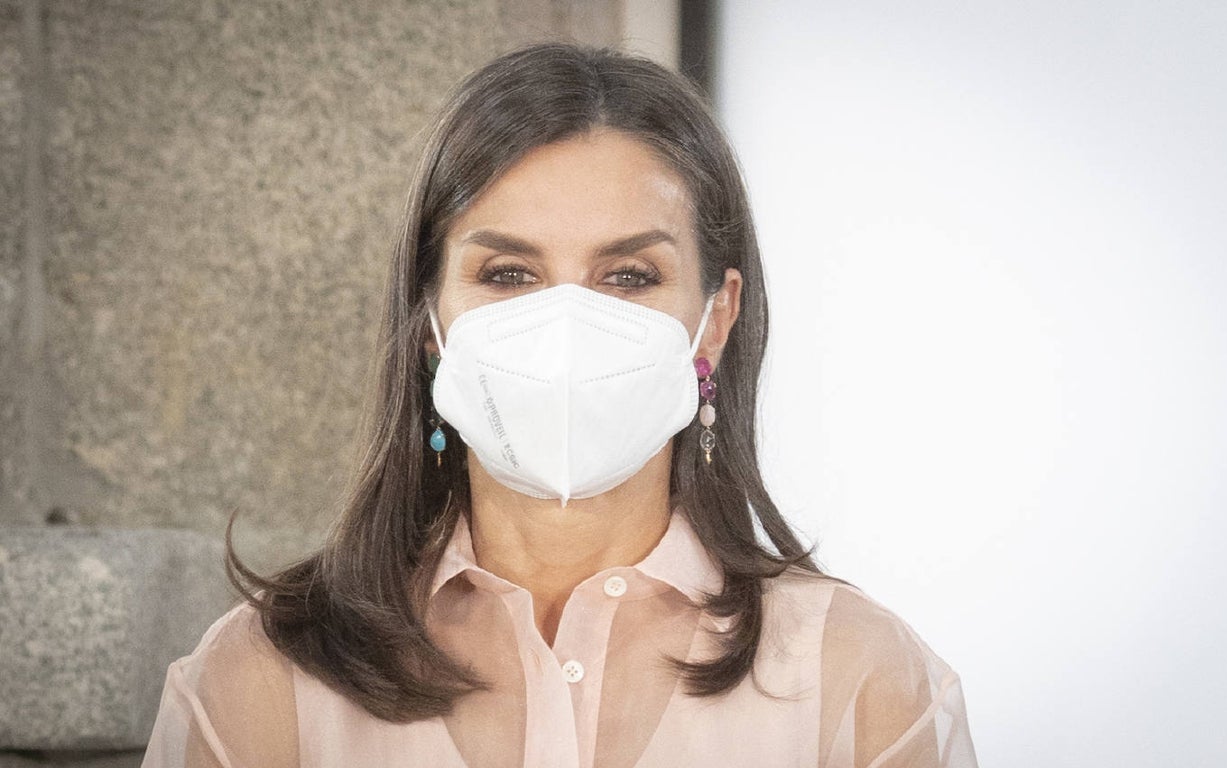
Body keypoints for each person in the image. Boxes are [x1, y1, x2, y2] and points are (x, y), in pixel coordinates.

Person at [141, 43, 977, 768]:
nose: (567, 325)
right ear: (432, 324)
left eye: (628, 277)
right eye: (508, 274)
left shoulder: (861, 677)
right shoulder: (263, 678)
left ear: (713, 321)